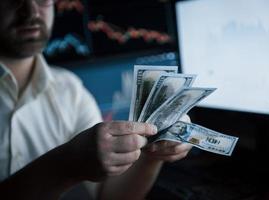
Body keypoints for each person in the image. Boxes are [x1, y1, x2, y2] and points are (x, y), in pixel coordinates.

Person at [0, 0, 192, 199]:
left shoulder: (70, 88)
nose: (31, 12)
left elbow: (108, 195)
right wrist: (67, 164)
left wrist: (152, 154)